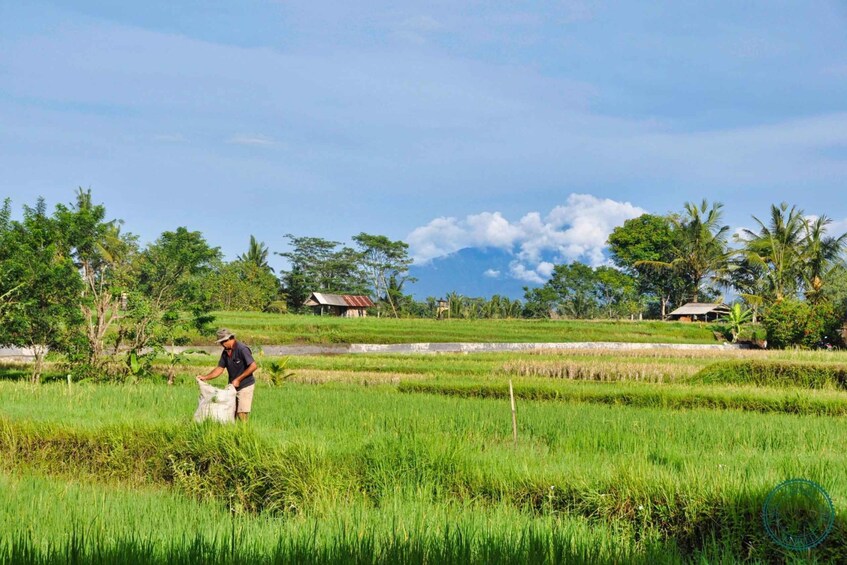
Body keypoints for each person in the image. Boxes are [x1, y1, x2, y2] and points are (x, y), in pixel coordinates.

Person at [197, 328, 258, 422]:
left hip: (245, 385)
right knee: (232, 412)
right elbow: (220, 368)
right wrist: (205, 377)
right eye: (221, 343)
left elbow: (253, 366)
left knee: (241, 412)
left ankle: (245, 432)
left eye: (223, 342)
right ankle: (235, 432)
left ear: (230, 339)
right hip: (233, 386)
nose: (222, 345)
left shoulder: (242, 349)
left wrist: (238, 379)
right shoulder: (226, 351)